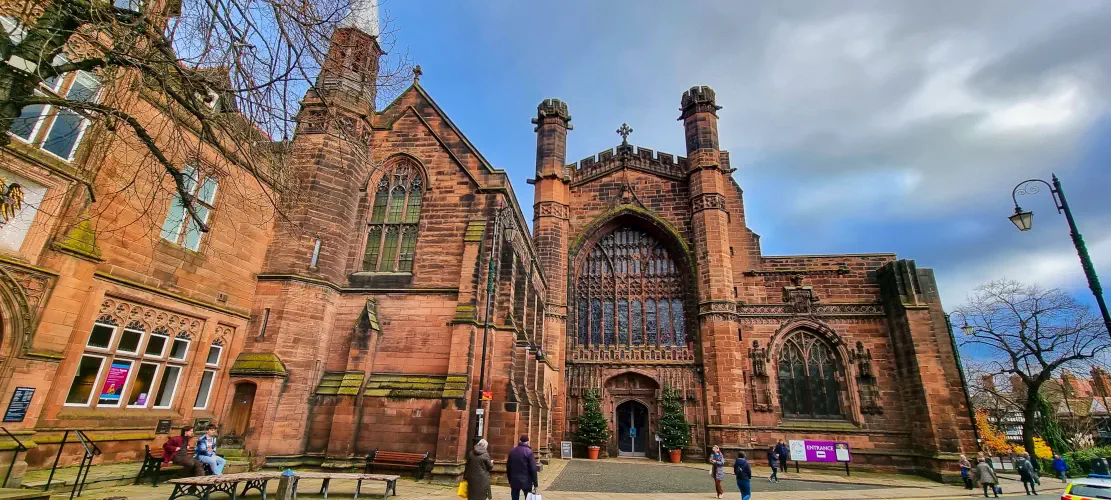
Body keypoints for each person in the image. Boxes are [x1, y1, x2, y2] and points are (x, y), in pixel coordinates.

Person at [506, 435, 537, 500]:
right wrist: (535, 483)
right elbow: (533, 468)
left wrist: (510, 480)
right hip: (527, 480)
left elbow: (508, 467)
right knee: (528, 497)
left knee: (515, 496)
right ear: (527, 442)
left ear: (520, 441)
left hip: (514, 479)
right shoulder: (529, 452)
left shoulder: (512, 451)